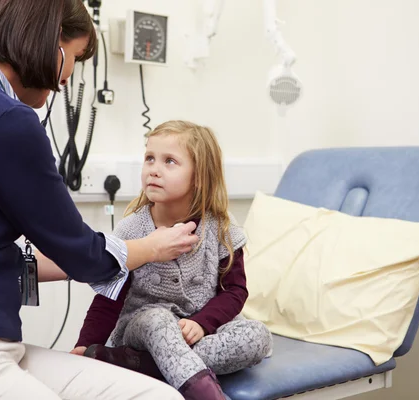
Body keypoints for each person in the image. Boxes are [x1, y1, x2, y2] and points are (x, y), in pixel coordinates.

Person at [0, 1, 197, 399]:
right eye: (73, 57)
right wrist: (150, 248)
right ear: (48, 44)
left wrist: (96, 257)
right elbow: (82, 254)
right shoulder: (4, 119)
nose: (68, 76)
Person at [70, 121, 273, 400]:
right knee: (158, 320)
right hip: (143, 329)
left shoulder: (222, 227)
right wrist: (85, 346)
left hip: (198, 331)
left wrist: (202, 323)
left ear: (199, 176)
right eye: (149, 158)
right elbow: (108, 300)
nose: (154, 169)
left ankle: (142, 365)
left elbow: (235, 291)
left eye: (169, 161)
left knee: (257, 336)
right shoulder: (131, 231)